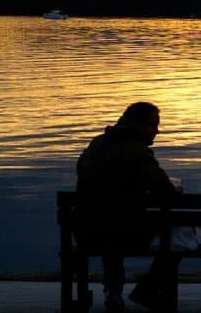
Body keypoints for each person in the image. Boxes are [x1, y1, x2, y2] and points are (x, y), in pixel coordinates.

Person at [76, 101, 180, 313]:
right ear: (137, 125)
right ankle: (149, 288)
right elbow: (164, 190)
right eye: (153, 125)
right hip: (126, 232)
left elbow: (83, 175)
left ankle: (113, 289)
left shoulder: (96, 145)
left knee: (108, 220)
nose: (157, 131)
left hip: (86, 231)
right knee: (180, 235)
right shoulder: (138, 153)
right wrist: (172, 189)